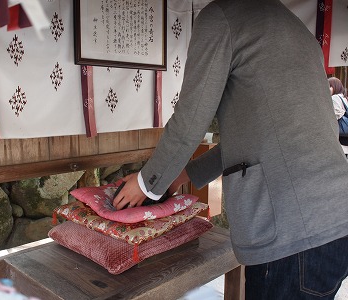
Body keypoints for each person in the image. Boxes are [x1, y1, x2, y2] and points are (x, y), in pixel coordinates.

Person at [113, 0, 348, 299]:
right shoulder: (292, 24)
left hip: (293, 234)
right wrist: (181, 175)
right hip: (337, 219)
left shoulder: (221, 17)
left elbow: (189, 120)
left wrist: (147, 183)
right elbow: (255, 139)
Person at [328, 77, 348, 157]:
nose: (328, 89)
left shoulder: (334, 98)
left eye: (330, 86)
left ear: (335, 86)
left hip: (341, 139)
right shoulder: (343, 97)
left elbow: (336, 115)